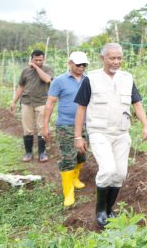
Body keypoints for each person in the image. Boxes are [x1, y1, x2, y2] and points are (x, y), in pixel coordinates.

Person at [73, 43, 147, 228]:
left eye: (119, 58)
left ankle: (109, 209)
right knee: (108, 170)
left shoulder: (127, 78)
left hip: (122, 133)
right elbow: (81, 108)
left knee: (120, 174)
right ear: (103, 58)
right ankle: (100, 210)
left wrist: (145, 126)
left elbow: (137, 104)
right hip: (99, 132)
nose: (116, 62)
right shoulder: (91, 79)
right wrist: (78, 136)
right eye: (112, 58)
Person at [42, 51, 90, 207]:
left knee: (81, 155)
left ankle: (75, 177)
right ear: (70, 63)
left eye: (84, 65)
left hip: (85, 124)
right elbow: (50, 104)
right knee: (67, 157)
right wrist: (45, 125)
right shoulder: (59, 81)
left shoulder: (88, 80)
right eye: (78, 64)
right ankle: (68, 193)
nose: (81, 67)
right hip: (65, 125)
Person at [10, 49, 54, 163]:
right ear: (31, 59)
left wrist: (36, 67)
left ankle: (42, 153)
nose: (39, 62)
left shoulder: (47, 70)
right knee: (27, 129)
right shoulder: (25, 71)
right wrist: (14, 101)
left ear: (44, 59)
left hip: (42, 102)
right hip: (27, 102)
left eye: (40, 60)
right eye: (36, 60)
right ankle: (28, 152)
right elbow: (20, 86)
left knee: (41, 128)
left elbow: (47, 79)